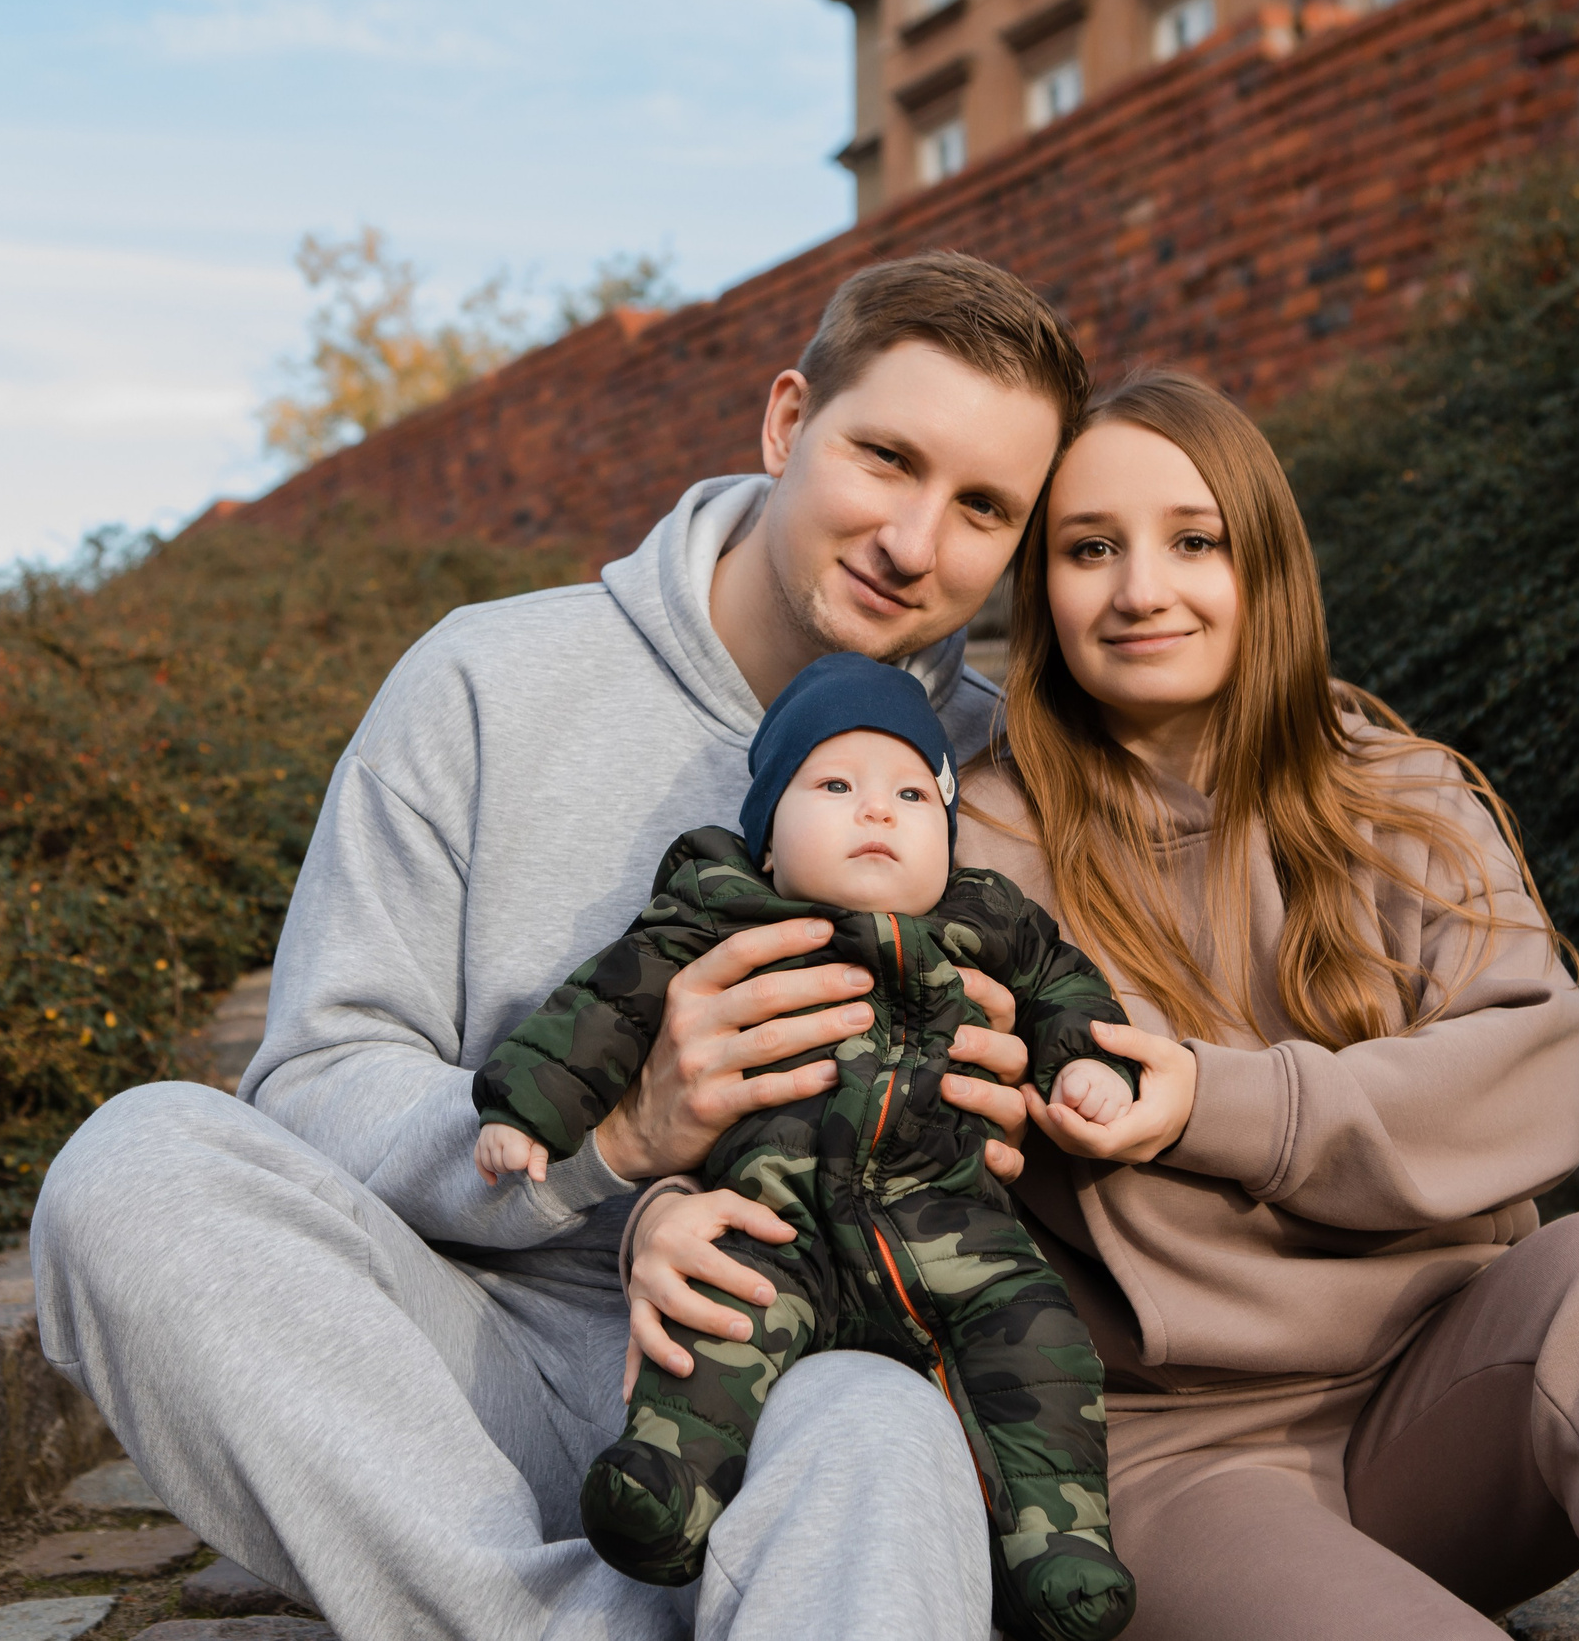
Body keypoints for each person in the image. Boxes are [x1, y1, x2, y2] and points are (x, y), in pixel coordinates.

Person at [29, 252, 1087, 1641]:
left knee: (878, 1430)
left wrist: (1031, 1103)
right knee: (132, 1167)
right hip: (472, 1360)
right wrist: (619, 1138)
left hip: (799, 1363)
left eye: (982, 508)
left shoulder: (1003, 769)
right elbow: (312, 1079)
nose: (911, 540)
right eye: (884, 457)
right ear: (785, 424)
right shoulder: (484, 680)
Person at [626, 370, 1579, 1641]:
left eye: (1195, 540)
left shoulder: (1401, 792)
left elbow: (1545, 1067)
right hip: (1169, 1453)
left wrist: (1222, 1101)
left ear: (1270, 566)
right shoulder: (964, 845)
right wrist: (668, 1200)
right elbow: (822, 1076)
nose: (1142, 588)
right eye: (1091, 548)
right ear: (1041, 589)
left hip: (1451, 1374)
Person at [475, 652, 1138, 1639]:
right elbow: (605, 1003)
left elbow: (1063, 988)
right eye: (835, 785)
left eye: (913, 792)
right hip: (773, 1221)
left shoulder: (988, 919)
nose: (878, 810)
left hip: (950, 1226)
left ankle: (1061, 1543)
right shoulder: (716, 909)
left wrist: (1086, 1062)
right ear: (770, 836)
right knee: (712, 1324)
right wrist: (528, 1105)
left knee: (1039, 1343)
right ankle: (667, 1487)